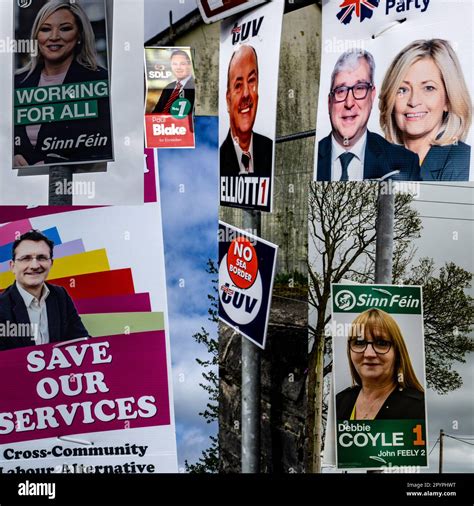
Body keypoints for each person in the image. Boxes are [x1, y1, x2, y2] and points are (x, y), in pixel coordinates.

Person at [14, 0, 112, 168]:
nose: (54, 37)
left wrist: (53, 164)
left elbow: (107, 146)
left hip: (78, 185)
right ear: (37, 36)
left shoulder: (101, 82)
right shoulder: (15, 83)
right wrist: (10, 157)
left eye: (65, 28)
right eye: (45, 29)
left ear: (79, 35)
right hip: (20, 188)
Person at [317, 49, 420, 181]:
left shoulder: (404, 164)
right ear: (329, 102)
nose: (349, 103)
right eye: (340, 91)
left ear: (372, 96)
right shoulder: (307, 159)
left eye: (359, 88)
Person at [380, 39, 472, 181]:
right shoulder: (376, 164)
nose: (413, 101)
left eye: (428, 88)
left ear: (448, 99)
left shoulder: (463, 162)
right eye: (402, 89)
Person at [0, 230, 89, 351]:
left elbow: (81, 341)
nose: (35, 265)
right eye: (26, 258)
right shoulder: (2, 306)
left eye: (41, 258)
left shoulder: (60, 295)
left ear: (51, 263)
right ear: (12, 266)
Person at [336, 308, 425, 420]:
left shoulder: (420, 407)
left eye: (381, 343)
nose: (369, 354)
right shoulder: (339, 402)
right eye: (359, 342)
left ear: (397, 352)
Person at [220, 44, 273, 177]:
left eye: (251, 81)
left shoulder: (271, 150)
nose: (246, 94)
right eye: (238, 85)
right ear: (228, 100)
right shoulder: (217, 161)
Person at [152, 49, 195, 114]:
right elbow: (156, 112)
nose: (178, 67)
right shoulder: (168, 87)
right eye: (174, 64)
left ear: (189, 65)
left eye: (182, 64)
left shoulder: (196, 87)